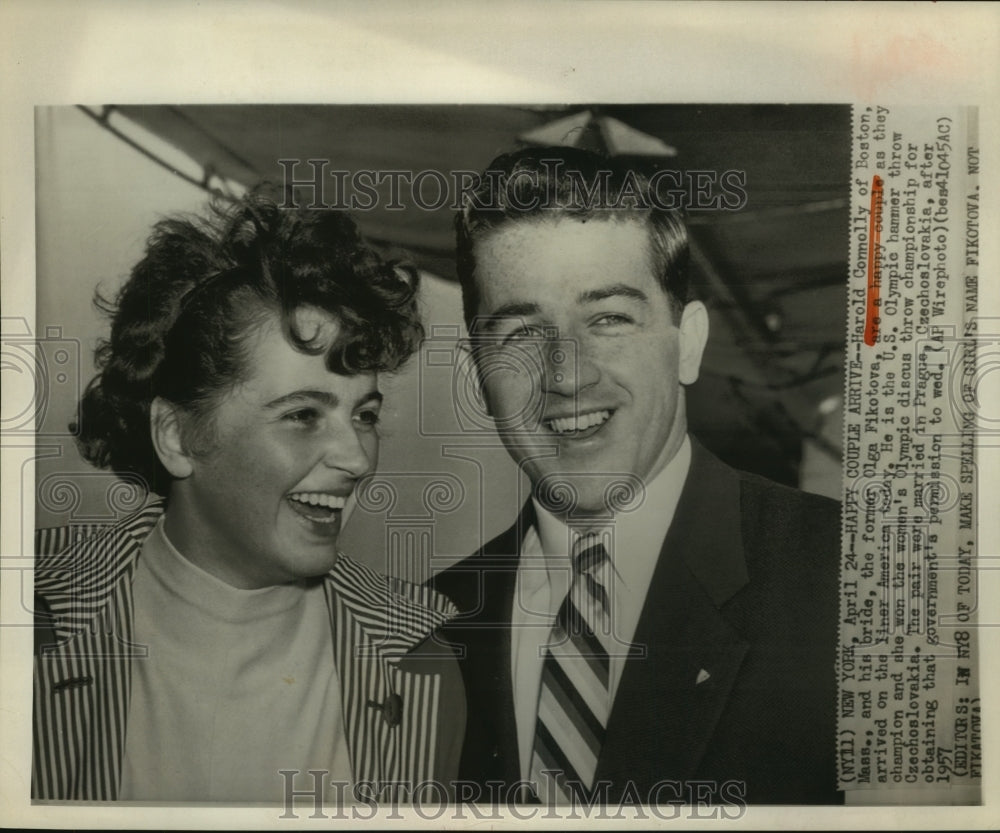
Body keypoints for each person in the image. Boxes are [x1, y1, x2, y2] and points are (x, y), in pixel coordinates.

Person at [431, 146, 842, 805]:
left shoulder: (854, 584)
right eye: (522, 333)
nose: (568, 374)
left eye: (609, 319)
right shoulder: (425, 627)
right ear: (473, 375)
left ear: (689, 343)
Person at [33, 192, 464, 802]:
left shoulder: (417, 657)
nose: (358, 459)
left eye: (364, 415)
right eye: (303, 415)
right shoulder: (30, 619)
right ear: (177, 435)